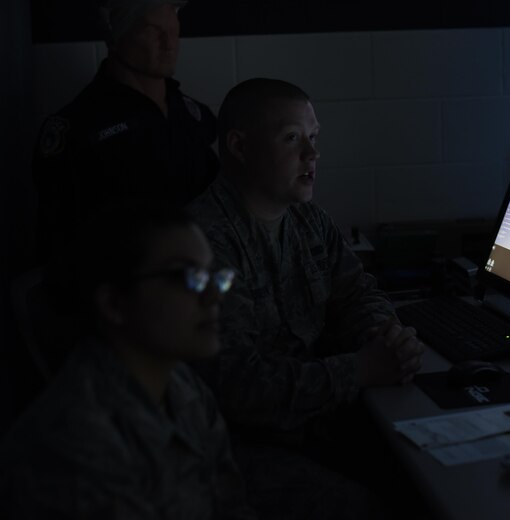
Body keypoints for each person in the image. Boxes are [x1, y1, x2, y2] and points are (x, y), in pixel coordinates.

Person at [187, 78, 425, 518]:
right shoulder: (202, 244)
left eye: (313, 138)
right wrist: (360, 368)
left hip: (315, 420)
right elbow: (238, 387)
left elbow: (357, 292)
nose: (312, 156)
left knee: (422, 474)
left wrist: (383, 335)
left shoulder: (307, 220)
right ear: (239, 147)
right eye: (292, 139)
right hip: (241, 445)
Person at [0, 202, 255, 519]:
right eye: (186, 277)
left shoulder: (183, 386)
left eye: (211, 277)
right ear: (113, 303)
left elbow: (230, 504)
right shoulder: (72, 448)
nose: (214, 297)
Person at [33, 0, 218, 260]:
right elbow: (61, 235)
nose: (169, 44)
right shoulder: (81, 127)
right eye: (154, 31)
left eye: (174, 32)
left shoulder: (193, 116)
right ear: (116, 37)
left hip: (195, 266)